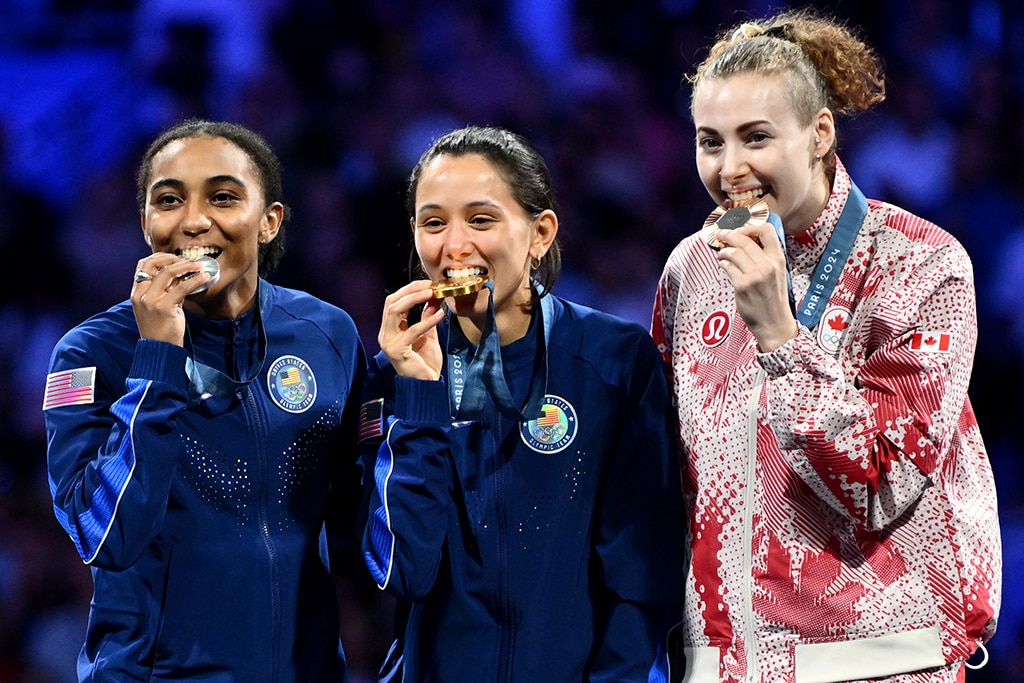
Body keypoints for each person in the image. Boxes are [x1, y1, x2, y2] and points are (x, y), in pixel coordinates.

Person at [651, 9, 1002, 683]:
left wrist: (779, 333)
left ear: (819, 135)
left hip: (878, 666)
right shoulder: (691, 270)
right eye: (710, 142)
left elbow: (881, 482)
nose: (730, 169)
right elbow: (669, 479)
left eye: (756, 137)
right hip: (721, 666)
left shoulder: (921, 264)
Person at [43, 119, 366, 682]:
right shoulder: (92, 354)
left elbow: (367, 528)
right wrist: (157, 358)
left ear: (269, 222)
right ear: (146, 224)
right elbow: (106, 534)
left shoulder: (327, 335)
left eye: (222, 196)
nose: (193, 221)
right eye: (169, 200)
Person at [359, 125, 684, 682]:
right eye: (433, 223)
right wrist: (420, 399)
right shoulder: (397, 376)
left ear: (540, 233)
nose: (455, 246)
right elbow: (403, 570)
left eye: (481, 220)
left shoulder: (612, 362)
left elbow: (642, 579)